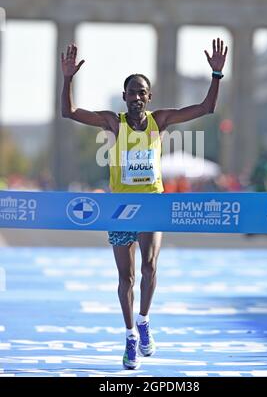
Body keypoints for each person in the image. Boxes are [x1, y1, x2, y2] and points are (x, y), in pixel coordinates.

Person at [61, 38, 228, 370]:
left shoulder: (160, 121)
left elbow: (205, 109)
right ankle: (130, 338)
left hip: (152, 202)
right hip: (121, 206)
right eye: (132, 92)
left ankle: (144, 321)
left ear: (149, 98)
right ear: (124, 97)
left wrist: (216, 75)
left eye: (142, 92)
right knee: (126, 278)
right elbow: (69, 112)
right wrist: (68, 79)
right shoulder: (114, 122)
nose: (137, 97)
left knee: (149, 266)